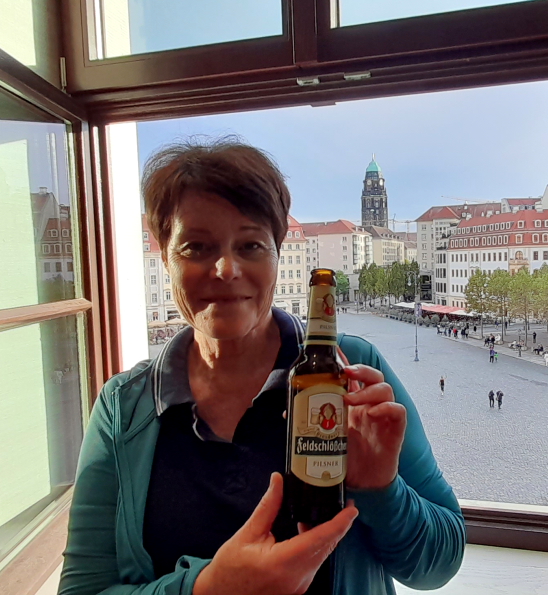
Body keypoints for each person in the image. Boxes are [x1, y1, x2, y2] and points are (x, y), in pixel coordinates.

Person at [59, 139, 465, 595]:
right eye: (196, 247)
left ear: (278, 252)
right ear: (165, 257)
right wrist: (208, 589)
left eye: (250, 244)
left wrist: (383, 490)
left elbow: (440, 563)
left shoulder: (350, 369)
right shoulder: (124, 407)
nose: (225, 268)